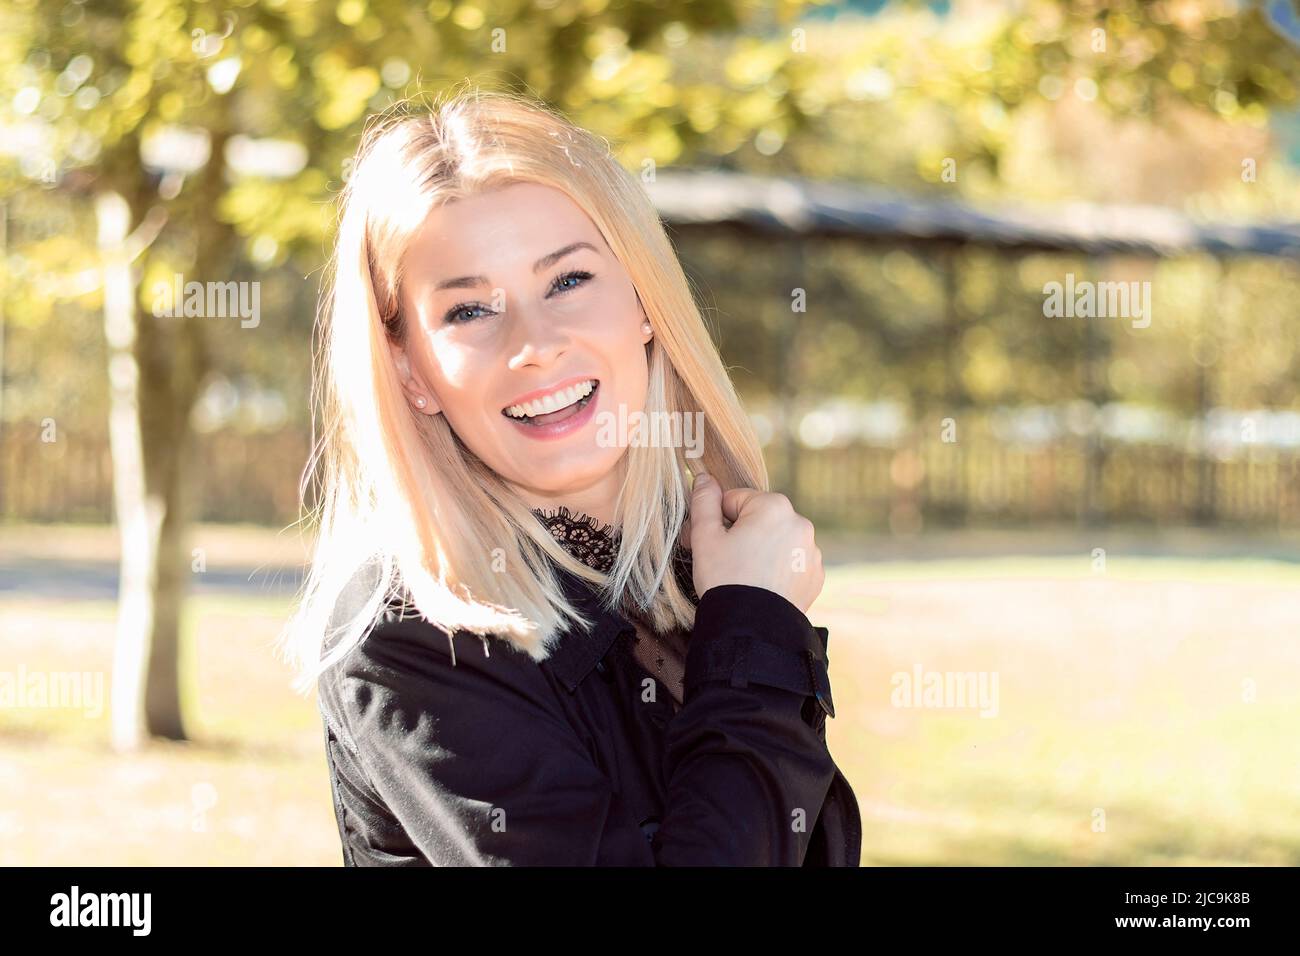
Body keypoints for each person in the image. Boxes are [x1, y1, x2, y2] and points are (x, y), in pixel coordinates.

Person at [278, 85, 861, 866]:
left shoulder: (702, 561)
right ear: (411, 369)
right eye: (469, 312)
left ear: (644, 300)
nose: (535, 344)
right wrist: (754, 627)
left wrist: (742, 615)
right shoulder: (411, 635)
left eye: (568, 282)